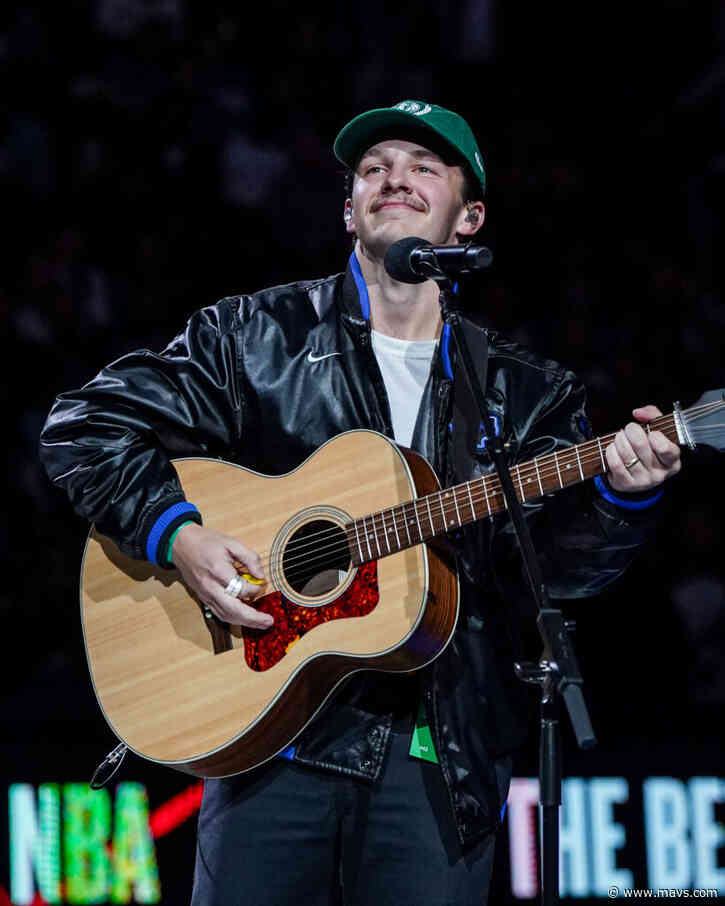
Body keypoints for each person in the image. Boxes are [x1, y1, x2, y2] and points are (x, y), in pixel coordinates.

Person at [40, 100, 681, 905]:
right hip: (266, 741)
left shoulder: (521, 393)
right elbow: (84, 426)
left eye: (423, 167)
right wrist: (180, 536)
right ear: (348, 209)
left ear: (467, 216)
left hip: (437, 765)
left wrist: (620, 501)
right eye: (373, 168)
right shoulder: (253, 336)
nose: (394, 179)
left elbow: (550, 576)